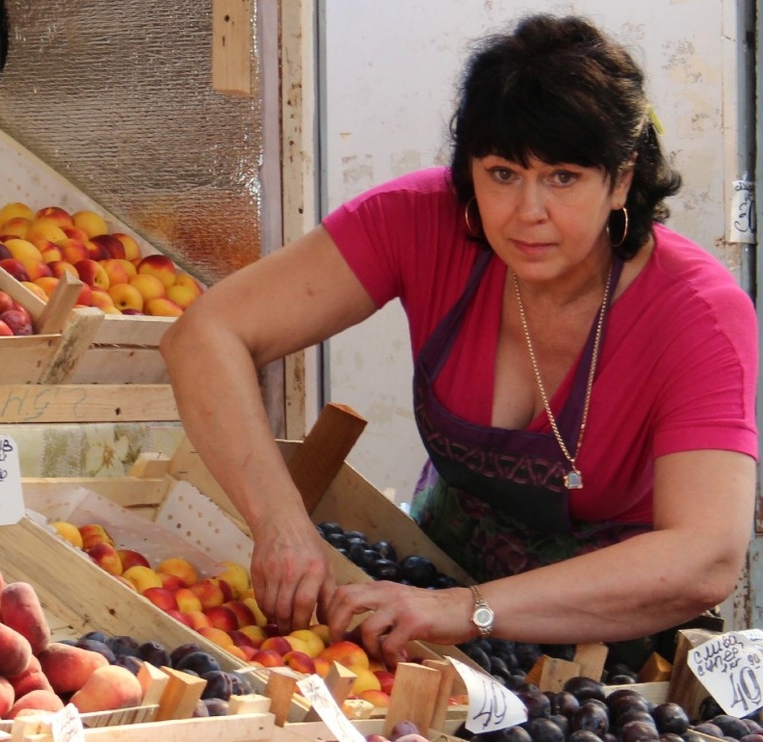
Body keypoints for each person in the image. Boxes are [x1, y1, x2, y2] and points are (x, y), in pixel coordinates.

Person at [160, 13, 757, 668]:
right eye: (502, 173)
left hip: (608, 650)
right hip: (431, 598)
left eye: (562, 177)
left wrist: (470, 609)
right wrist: (278, 521)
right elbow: (205, 334)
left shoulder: (697, 314)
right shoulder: (419, 223)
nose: (528, 211)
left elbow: (705, 557)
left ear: (620, 179)